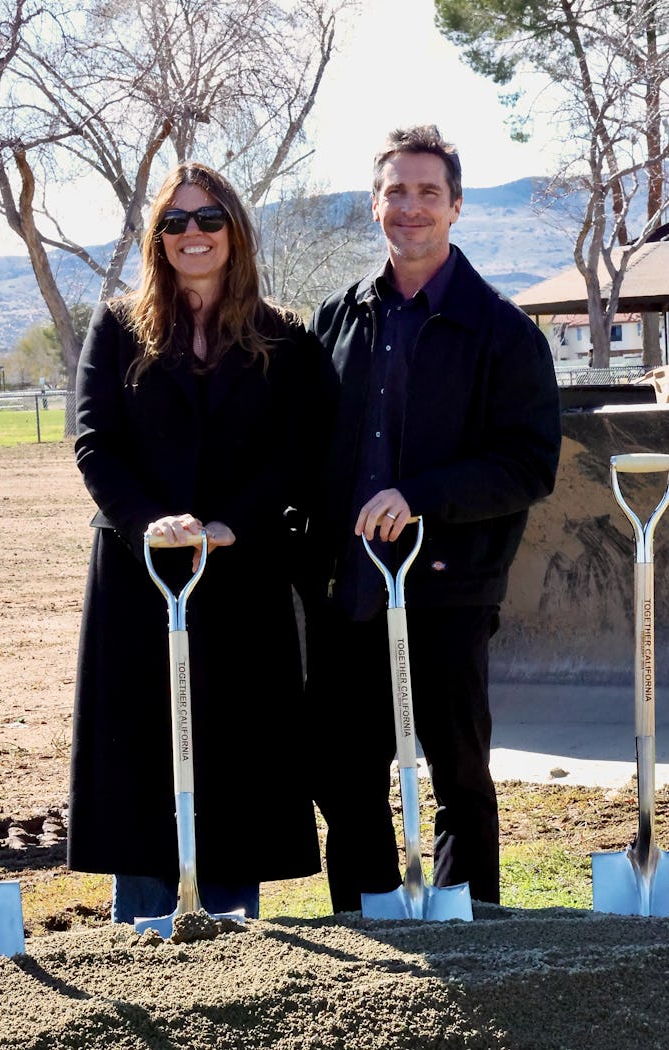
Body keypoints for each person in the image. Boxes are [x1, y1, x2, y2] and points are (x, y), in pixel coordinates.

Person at [302, 124, 562, 912]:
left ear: (455, 207)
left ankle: (468, 923)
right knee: (344, 776)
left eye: (427, 193)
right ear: (375, 205)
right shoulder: (338, 320)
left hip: (447, 588)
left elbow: (527, 465)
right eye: (395, 192)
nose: (409, 207)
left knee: (457, 774)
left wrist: (420, 497)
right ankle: (370, 922)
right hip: (348, 591)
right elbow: (308, 450)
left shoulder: (504, 334)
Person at [67, 160, 334, 924]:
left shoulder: (284, 338)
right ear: (157, 238)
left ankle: (229, 935)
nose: (193, 234)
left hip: (240, 579)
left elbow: (297, 452)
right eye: (175, 221)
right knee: (142, 762)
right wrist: (149, 520)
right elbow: (95, 443)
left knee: (234, 763)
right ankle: (144, 938)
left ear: (235, 231)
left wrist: (233, 524)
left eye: (208, 218)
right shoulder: (118, 327)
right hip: (140, 577)